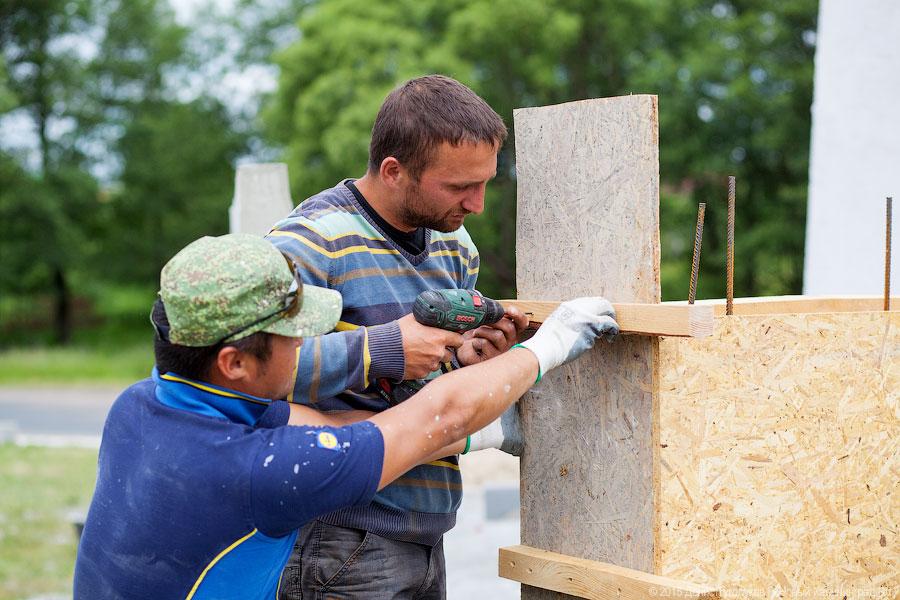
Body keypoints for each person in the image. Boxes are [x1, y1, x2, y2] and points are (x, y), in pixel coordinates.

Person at [72, 233, 619, 598]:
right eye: (290, 334)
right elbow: (436, 417)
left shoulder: (141, 406)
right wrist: (550, 346)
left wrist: (486, 433)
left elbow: (330, 430)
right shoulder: (264, 472)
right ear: (234, 362)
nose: (303, 343)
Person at [266, 74, 526, 599]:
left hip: (428, 531)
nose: (477, 204)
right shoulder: (310, 242)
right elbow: (250, 373)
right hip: (338, 538)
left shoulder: (456, 248)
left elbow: (427, 385)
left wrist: (468, 360)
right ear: (393, 171)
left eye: (484, 183)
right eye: (458, 187)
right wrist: (385, 349)